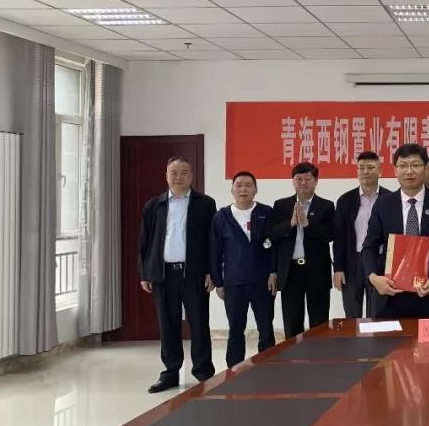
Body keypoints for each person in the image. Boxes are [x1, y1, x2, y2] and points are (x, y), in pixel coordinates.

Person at [138, 156, 217, 393]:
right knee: (168, 324)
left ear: (191, 176)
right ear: (166, 176)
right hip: (163, 275)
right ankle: (171, 373)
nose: (178, 177)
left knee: (199, 324)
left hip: (194, 274)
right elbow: (144, 242)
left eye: (184, 172)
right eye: (174, 172)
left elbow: (212, 241)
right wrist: (145, 273)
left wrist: (211, 271)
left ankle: (203, 372)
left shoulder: (205, 204)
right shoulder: (154, 205)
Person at [363, 143, 429, 318]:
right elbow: (369, 246)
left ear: (426, 168)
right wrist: (373, 277)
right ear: (395, 170)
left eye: (415, 165)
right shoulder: (383, 204)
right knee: (390, 337)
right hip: (390, 294)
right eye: (403, 165)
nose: (409, 171)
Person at [210, 171, 278, 368]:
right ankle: (234, 370)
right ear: (232, 190)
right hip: (234, 282)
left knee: (266, 328)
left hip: (262, 281)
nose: (243, 189)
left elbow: (275, 245)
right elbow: (214, 250)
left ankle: (268, 367)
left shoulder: (266, 212)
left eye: (248, 185)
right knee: (235, 328)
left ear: (255, 189)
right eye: (239, 185)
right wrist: (218, 282)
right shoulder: (221, 216)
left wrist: (274, 272)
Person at [270, 162, 336, 338]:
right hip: (291, 271)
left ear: (316, 181)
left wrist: (307, 223)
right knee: (292, 322)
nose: (303, 183)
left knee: (319, 322)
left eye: (308, 178)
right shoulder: (281, 205)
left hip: (317, 270)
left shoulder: (326, 206)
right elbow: (272, 234)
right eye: (299, 179)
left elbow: (331, 234)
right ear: (293, 181)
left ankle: (319, 354)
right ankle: (294, 354)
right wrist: (291, 223)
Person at [333, 151, 392, 319]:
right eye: (361, 168)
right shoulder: (345, 200)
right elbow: (339, 238)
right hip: (353, 263)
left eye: (370, 167)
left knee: (378, 314)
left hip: (379, 262)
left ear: (380, 171)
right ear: (357, 171)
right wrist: (338, 268)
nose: (365, 172)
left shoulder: (391, 198)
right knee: (352, 315)